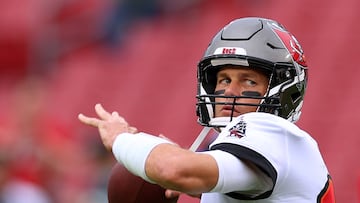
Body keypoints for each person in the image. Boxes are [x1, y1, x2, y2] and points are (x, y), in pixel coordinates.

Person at [78, 17, 336, 202]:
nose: (229, 92)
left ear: (284, 88)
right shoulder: (264, 155)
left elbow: (175, 170)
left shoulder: (273, 131)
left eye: (248, 81)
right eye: (224, 80)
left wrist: (122, 140)